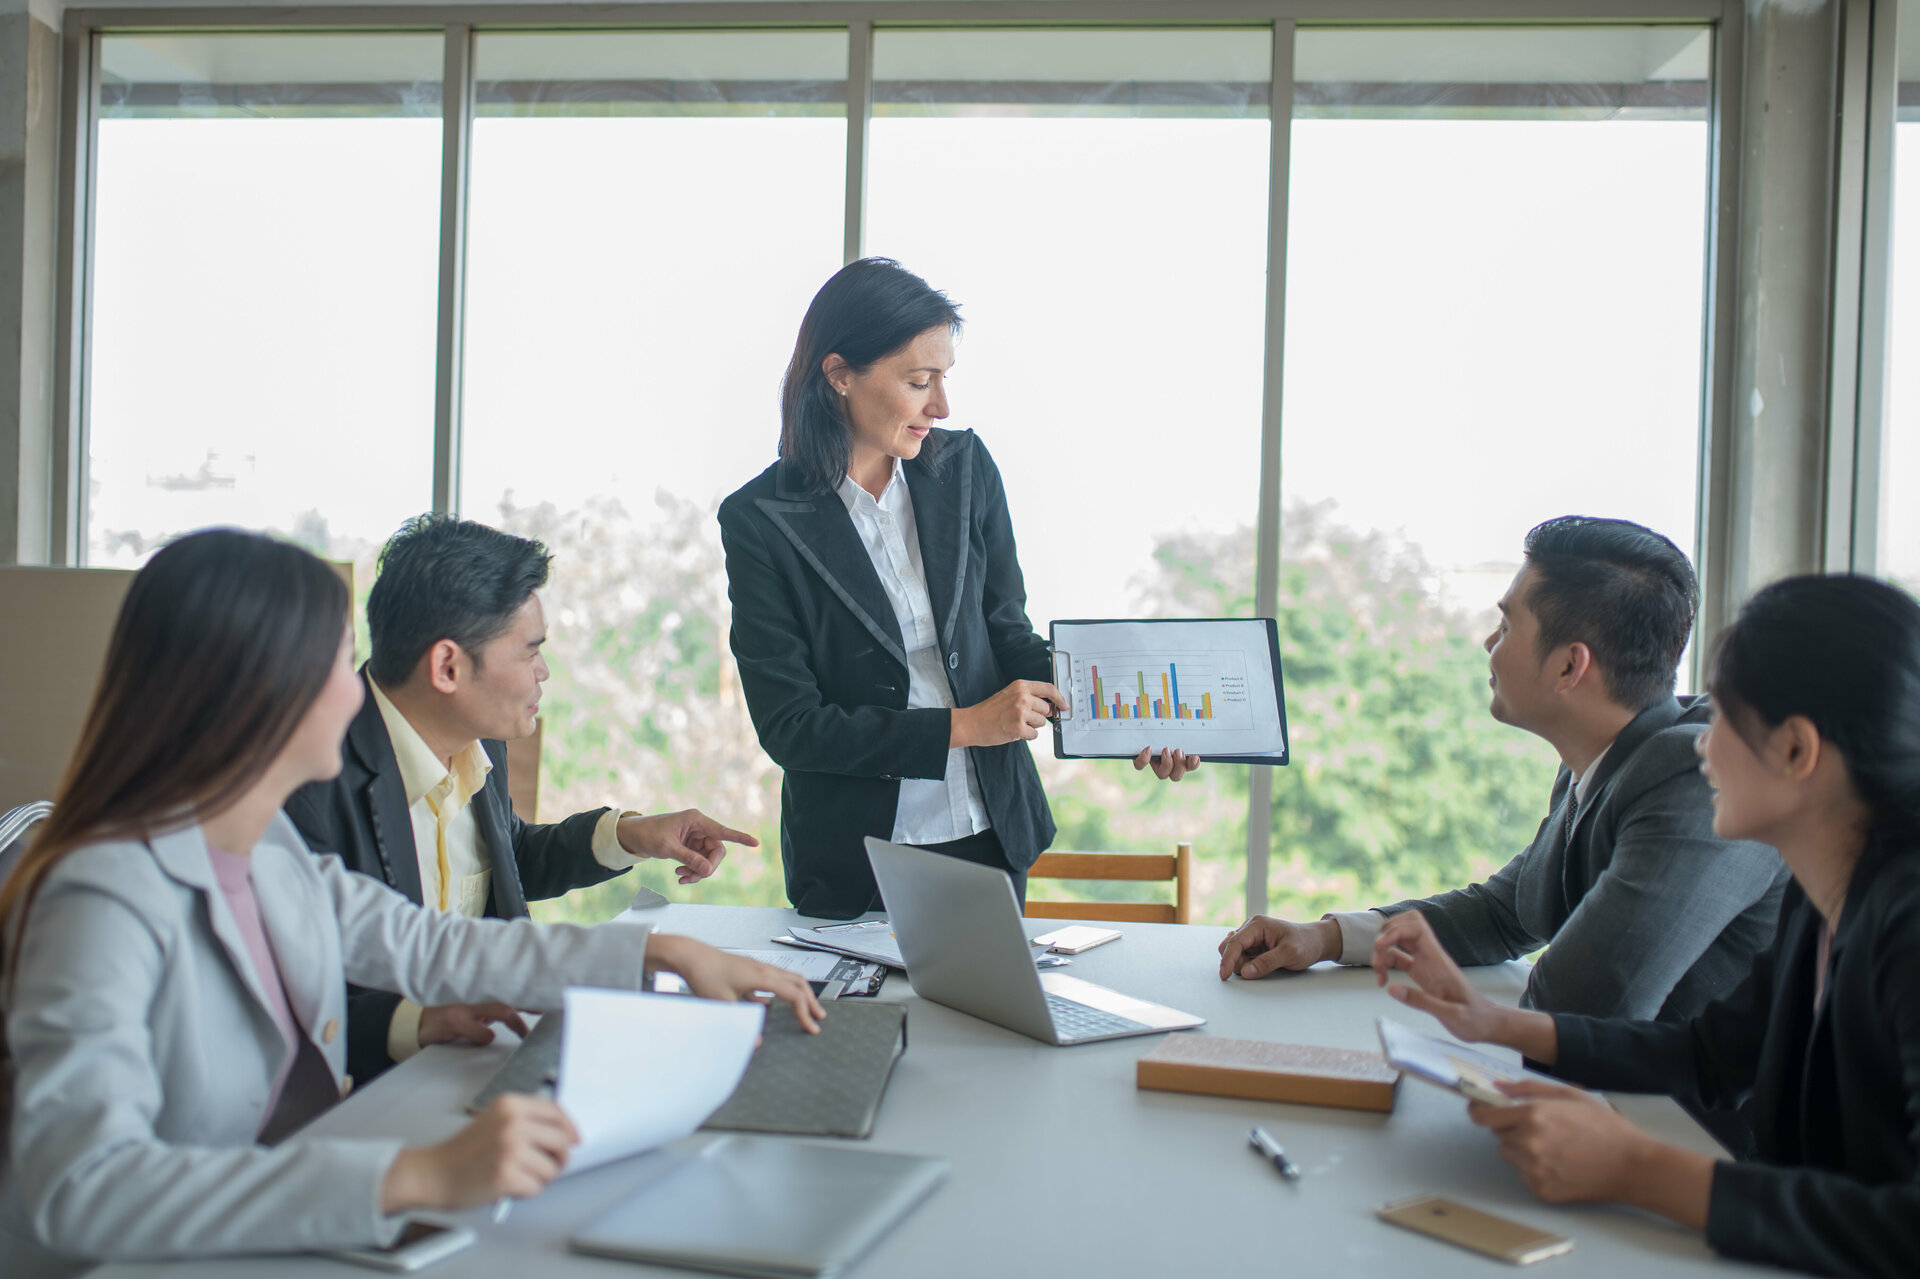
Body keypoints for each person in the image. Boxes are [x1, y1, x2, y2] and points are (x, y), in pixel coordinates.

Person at [0, 529, 822, 1278]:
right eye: (333, 661)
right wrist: (415, 1173)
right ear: (255, 692)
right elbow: (79, 1188)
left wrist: (657, 953)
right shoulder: (101, 899)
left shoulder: (269, 857)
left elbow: (433, 946)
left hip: (269, 1231)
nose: (355, 688)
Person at [1372, 573, 1920, 1278]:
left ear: (1795, 751)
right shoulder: (1824, 899)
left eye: (1722, 719)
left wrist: (1637, 1167)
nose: (1701, 746)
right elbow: (1706, 1055)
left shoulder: (1906, 926)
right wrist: (1493, 1023)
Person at [718, 258, 1195, 919]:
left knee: (991, 1024)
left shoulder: (965, 469)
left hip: (990, 834)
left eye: (943, 379)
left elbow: (1006, 633)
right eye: (919, 381)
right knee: (864, 1026)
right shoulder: (761, 521)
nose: (940, 406)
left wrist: (1131, 721)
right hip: (856, 861)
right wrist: (967, 726)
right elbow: (794, 728)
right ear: (839, 375)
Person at [1218, 517, 1786, 1028]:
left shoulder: (1695, 774)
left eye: (1507, 627)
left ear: (1569, 665)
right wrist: (1324, 937)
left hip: (1691, 1131)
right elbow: (1509, 911)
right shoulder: (1602, 758)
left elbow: (1583, 1002)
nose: (1489, 644)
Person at [287, 515, 761, 1085]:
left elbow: (501, 859)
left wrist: (629, 835)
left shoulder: (478, 735)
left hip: (483, 1060)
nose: (545, 672)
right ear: (447, 667)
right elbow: (298, 998)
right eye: (530, 651)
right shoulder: (309, 781)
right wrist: (416, 1022)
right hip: (374, 1089)